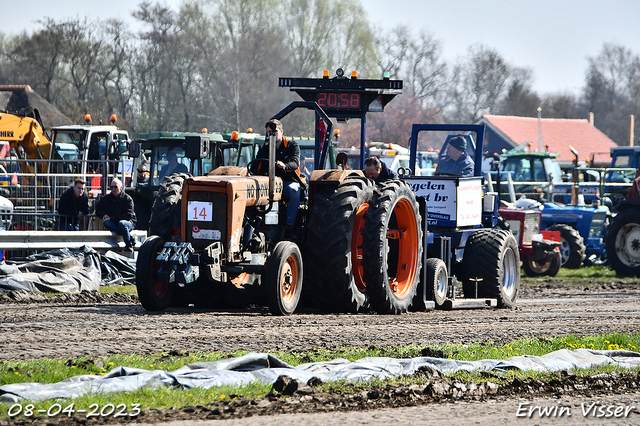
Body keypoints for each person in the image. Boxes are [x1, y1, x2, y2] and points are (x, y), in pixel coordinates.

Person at [251, 119, 303, 226]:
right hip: (266, 183)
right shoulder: (264, 148)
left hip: (285, 183)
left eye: (275, 132)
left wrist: (285, 166)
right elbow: (255, 166)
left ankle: (289, 223)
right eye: (269, 133)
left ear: (281, 131)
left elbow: (295, 163)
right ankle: (254, 221)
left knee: (294, 190)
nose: (272, 135)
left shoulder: (291, 145)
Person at [96, 178, 137, 250]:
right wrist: (103, 215)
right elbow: (98, 209)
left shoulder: (127, 199)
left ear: (121, 188)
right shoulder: (106, 198)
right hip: (114, 223)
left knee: (122, 224)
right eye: (111, 187)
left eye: (115, 187)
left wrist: (112, 218)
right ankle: (129, 237)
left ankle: (128, 245)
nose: (113, 189)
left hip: (128, 222)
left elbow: (128, 215)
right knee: (106, 222)